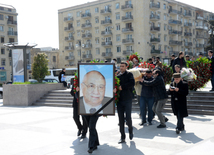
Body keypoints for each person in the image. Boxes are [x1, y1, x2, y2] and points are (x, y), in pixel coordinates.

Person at [117, 61, 135, 143]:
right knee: (120, 120)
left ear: (126, 67)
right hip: (120, 100)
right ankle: (122, 137)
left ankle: (130, 131)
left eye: (123, 66)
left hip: (128, 99)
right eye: (120, 66)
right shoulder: (118, 76)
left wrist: (122, 87)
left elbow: (132, 83)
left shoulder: (129, 75)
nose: (121, 67)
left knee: (128, 118)